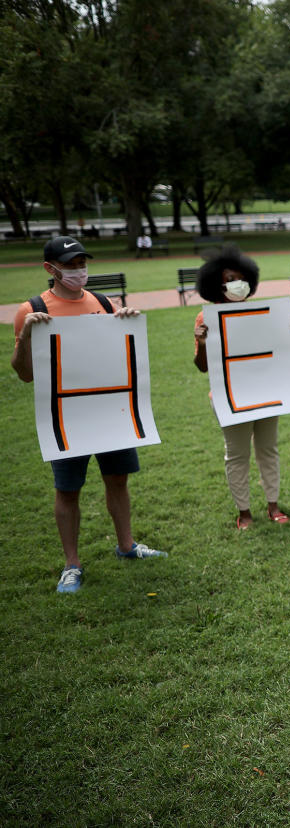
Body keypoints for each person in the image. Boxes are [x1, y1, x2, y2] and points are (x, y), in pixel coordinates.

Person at [10, 236, 166, 594]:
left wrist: (123, 322)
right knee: (67, 490)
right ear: (50, 269)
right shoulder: (31, 309)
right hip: (67, 416)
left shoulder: (102, 301)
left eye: (82, 263)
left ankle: (126, 545)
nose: (79, 270)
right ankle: (72, 564)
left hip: (110, 410)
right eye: (71, 264)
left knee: (118, 480)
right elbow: (25, 374)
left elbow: (119, 356)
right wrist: (26, 337)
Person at [192, 245, 290, 528]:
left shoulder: (265, 312)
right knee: (237, 454)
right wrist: (202, 344)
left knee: (268, 449)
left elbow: (277, 353)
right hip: (229, 396)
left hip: (267, 393)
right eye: (229, 279)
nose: (235, 284)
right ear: (217, 283)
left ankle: (273, 505)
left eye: (239, 278)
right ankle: (244, 511)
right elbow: (203, 366)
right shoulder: (207, 319)